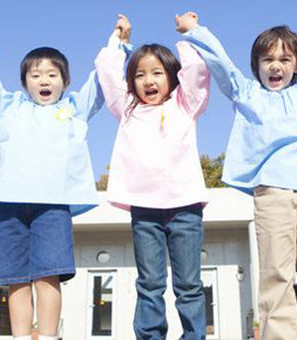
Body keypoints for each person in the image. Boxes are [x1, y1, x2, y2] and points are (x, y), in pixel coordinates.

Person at [179, 11, 297, 339]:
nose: (275, 65)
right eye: (267, 58)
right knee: (277, 275)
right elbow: (222, 63)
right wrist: (195, 30)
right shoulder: (248, 94)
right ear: (256, 64)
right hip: (273, 196)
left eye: (285, 58)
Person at [0, 15, 105, 340]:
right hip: (11, 204)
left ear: (65, 81)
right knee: (15, 277)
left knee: (49, 275)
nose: (44, 80)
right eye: (35, 75)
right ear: (25, 82)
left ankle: (46, 335)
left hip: (53, 206)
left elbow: (101, 83)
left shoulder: (74, 107)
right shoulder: (10, 106)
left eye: (52, 74)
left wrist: (117, 45)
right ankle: (20, 336)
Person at [95, 13, 210, 340]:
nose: (149, 81)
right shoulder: (127, 109)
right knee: (149, 283)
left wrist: (188, 36)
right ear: (131, 81)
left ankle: (194, 336)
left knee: (189, 283)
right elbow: (107, 69)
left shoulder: (186, 104)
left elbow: (198, 73)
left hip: (185, 208)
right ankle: (150, 336)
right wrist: (119, 41)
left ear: (172, 78)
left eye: (157, 73)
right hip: (144, 210)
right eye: (140, 74)